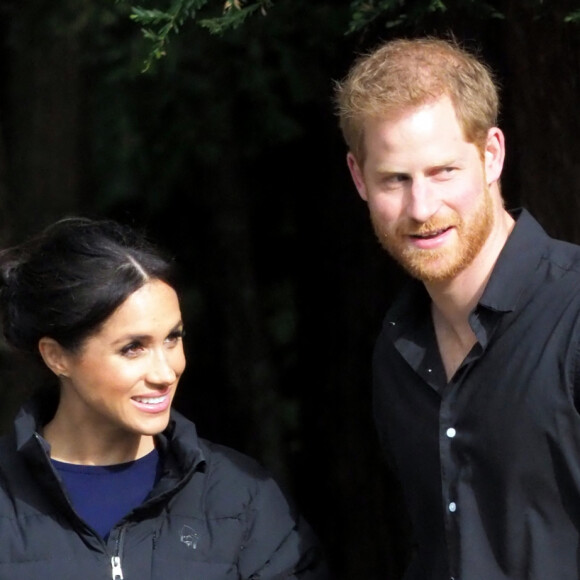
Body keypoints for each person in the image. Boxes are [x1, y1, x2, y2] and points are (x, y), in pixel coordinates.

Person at [335, 35, 580, 579]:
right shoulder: (397, 352)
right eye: (395, 179)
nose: (422, 208)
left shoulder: (574, 316)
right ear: (358, 178)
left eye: (444, 171)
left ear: (491, 154)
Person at [0, 216, 329, 579]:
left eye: (173, 338)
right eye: (133, 348)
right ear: (56, 356)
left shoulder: (242, 498)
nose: (165, 372)